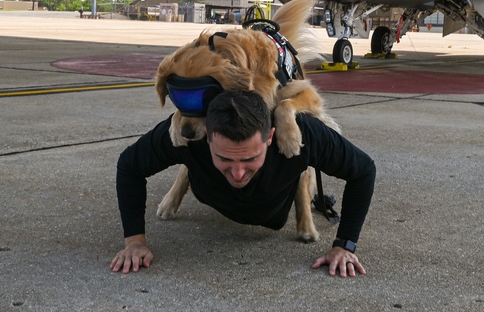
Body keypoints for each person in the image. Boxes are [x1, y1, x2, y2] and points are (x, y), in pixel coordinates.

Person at [111, 89, 376, 278]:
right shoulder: (188, 138)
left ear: (271, 137)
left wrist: (344, 245)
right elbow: (129, 165)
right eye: (225, 158)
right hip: (210, 191)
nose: (238, 173)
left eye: (250, 158)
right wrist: (134, 242)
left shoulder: (306, 133)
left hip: (274, 206)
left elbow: (363, 170)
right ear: (207, 139)